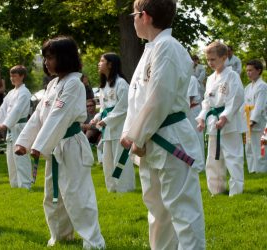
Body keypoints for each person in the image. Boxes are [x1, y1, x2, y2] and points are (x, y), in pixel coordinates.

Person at [120, 0, 205, 249]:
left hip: (169, 139)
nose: (132, 19)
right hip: (149, 141)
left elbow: (159, 99)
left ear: (144, 16)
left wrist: (137, 136)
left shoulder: (168, 47)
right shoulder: (152, 48)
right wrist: (131, 134)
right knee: (157, 211)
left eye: (134, 14)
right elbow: (136, 99)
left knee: (183, 212)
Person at [14, 36, 105, 249]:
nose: (46, 62)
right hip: (54, 146)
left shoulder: (74, 83)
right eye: (45, 57)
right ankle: (61, 235)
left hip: (71, 145)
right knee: (53, 196)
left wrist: (39, 146)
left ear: (64, 58)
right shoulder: (54, 84)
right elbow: (39, 115)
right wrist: (24, 142)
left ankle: (93, 241)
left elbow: (59, 115)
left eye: (50, 57)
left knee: (77, 195)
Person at [197, 41, 246, 197]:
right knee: (213, 158)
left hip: (229, 123)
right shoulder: (211, 79)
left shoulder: (232, 76)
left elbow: (236, 97)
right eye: (208, 59)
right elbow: (206, 101)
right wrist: (202, 118)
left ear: (224, 57)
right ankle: (216, 190)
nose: (210, 63)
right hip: (213, 122)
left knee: (233, 157)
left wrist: (225, 116)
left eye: (213, 59)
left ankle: (236, 191)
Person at [90, 52, 135, 193]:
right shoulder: (104, 86)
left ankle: (125, 187)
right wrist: (97, 118)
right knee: (107, 160)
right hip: (108, 129)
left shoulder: (121, 83)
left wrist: (106, 120)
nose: (99, 63)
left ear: (110, 64)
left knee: (120, 158)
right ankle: (112, 187)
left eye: (101, 61)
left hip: (119, 127)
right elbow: (104, 107)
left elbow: (124, 107)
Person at [0, 65, 33, 189]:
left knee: (21, 156)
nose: (12, 78)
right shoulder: (10, 93)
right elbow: (3, 109)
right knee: (10, 157)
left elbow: (17, 110)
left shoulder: (25, 92)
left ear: (22, 76)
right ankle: (15, 184)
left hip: (20, 127)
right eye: (11, 76)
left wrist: (5, 124)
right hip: (11, 128)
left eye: (15, 76)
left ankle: (25, 184)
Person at [244, 59, 267, 173]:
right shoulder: (248, 87)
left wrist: (253, 120)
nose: (248, 73)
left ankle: (261, 171)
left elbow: (259, 106)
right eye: (247, 71)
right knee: (249, 147)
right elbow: (243, 105)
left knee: (260, 146)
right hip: (247, 117)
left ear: (258, 70)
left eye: (251, 70)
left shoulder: (262, 86)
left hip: (259, 120)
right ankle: (252, 170)